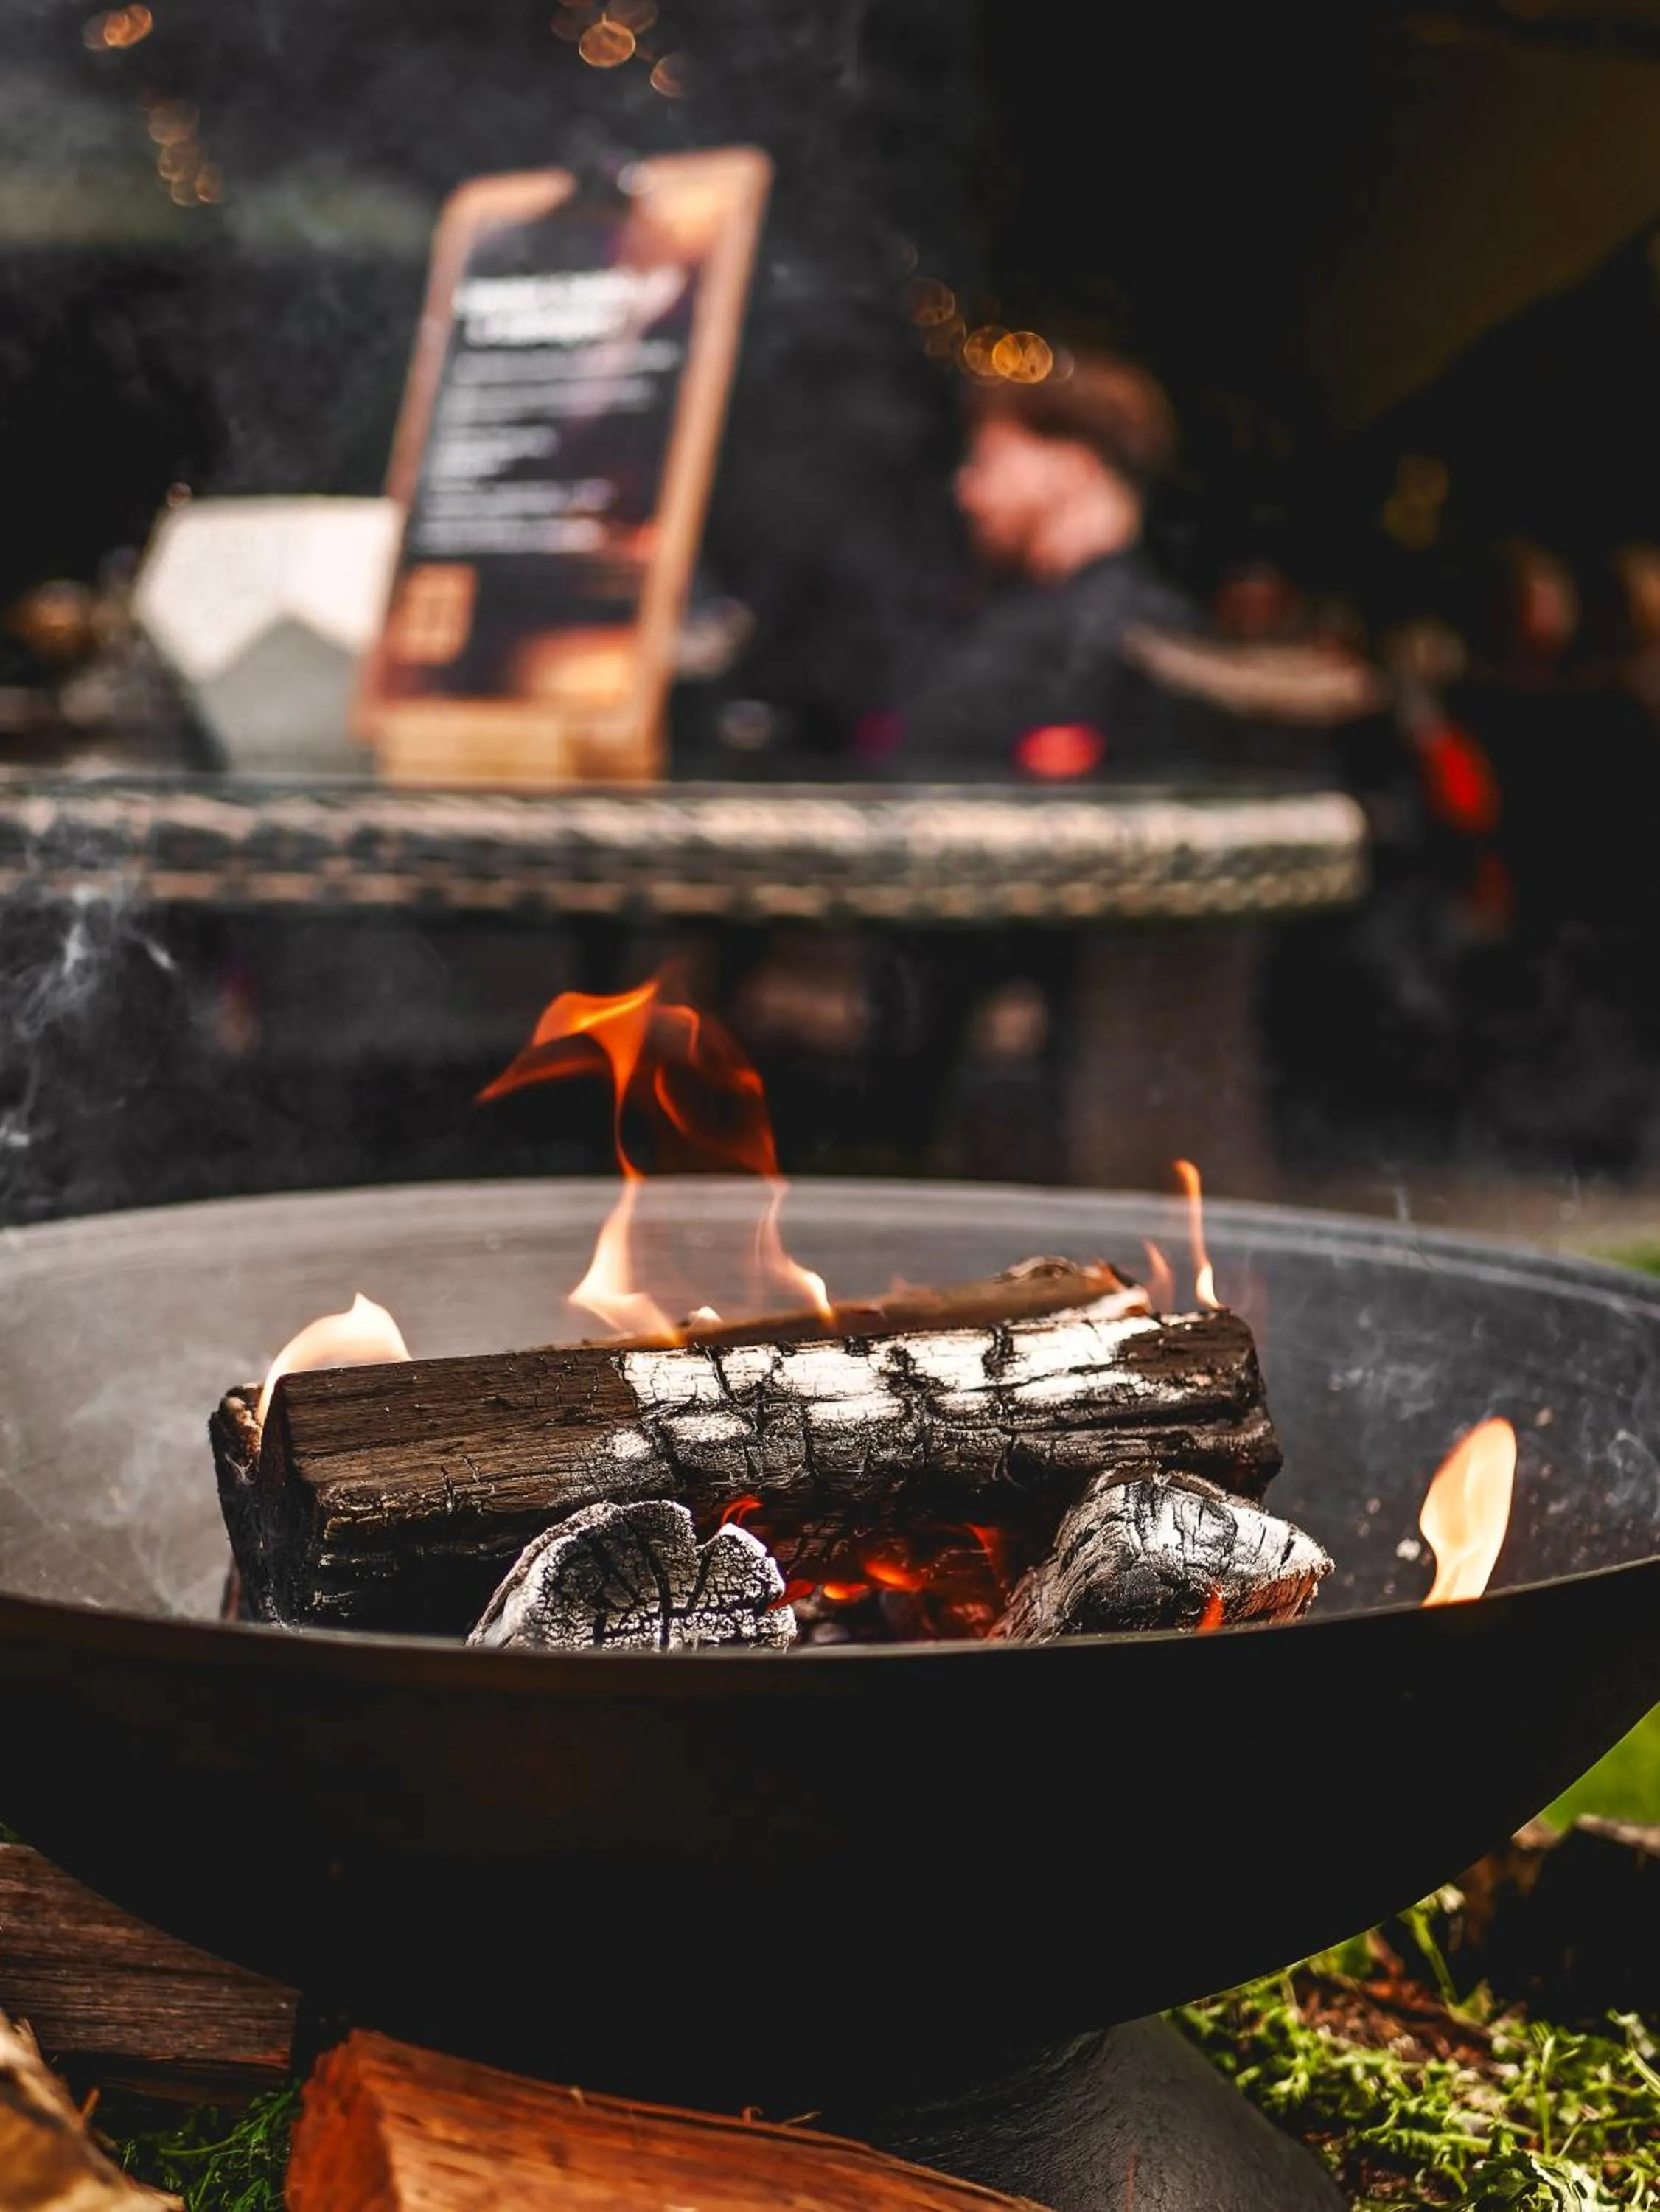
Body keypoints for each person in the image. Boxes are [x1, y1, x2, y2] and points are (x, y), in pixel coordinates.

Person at [887, 349, 1197, 780]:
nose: (967, 491)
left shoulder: (1135, 641)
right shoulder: (1019, 613)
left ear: (1072, 467)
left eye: (988, 461)